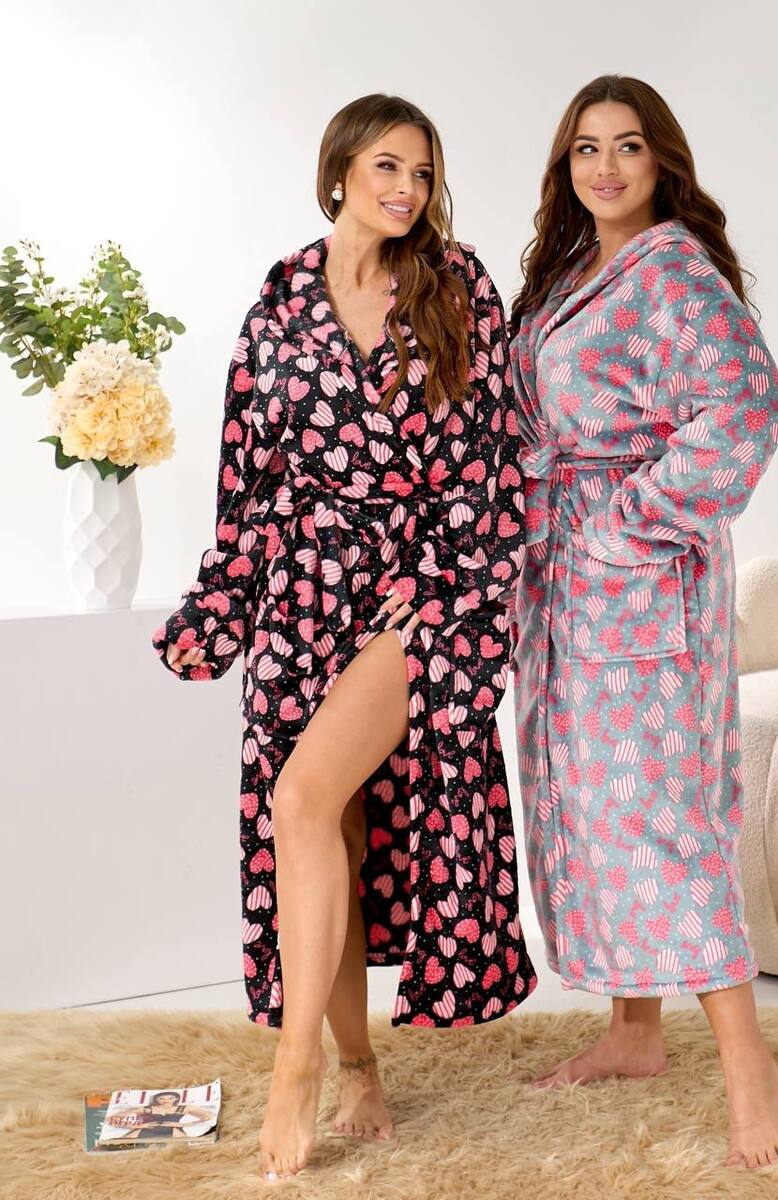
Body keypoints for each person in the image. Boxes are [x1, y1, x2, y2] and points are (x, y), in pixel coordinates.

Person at [152, 93, 536, 1181]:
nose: (407, 188)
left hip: (418, 597)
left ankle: (296, 1071)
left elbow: (497, 451)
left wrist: (447, 578)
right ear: (338, 174)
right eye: (386, 167)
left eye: (422, 171)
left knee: (302, 797)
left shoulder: (458, 287)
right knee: (336, 832)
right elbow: (248, 477)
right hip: (300, 594)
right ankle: (357, 1063)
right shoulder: (278, 303)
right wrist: (223, 605)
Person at [508, 74, 778, 1170]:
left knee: (663, 816)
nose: (607, 167)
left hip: (637, 578)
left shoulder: (674, 272)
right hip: (567, 579)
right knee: (596, 806)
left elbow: (751, 405)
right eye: (587, 148)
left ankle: (749, 1069)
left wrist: (627, 525)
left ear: (661, 159)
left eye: (628, 146)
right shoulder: (573, 272)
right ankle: (634, 1031)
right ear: (566, 165)